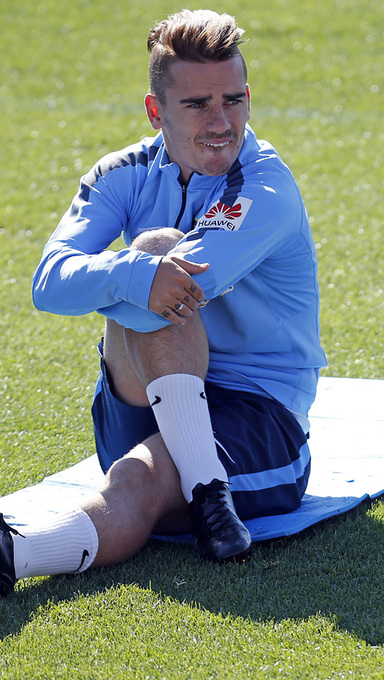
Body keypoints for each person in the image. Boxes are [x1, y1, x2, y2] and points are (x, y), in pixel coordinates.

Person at [0, 9, 326, 595]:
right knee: (150, 258)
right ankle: (208, 491)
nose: (221, 122)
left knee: (137, 480)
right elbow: (48, 282)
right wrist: (130, 274)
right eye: (197, 105)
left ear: (249, 98)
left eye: (233, 100)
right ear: (156, 111)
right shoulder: (121, 172)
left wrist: (118, 279)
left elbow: (180, 286)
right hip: (144, 391)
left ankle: (12, 554)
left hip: (259, 417)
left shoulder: (265, 187)